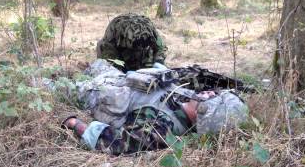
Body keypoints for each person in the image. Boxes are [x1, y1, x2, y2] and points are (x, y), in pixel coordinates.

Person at [59, 59, 248, 155]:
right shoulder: (189, 97)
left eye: (213, 98)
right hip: (116, 78)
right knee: (99, 62)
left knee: (50, 86)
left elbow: (116, 143)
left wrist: (76, 124)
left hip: (94, 93)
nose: (211, 92)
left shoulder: (160, 126)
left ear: (204, 114)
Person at [96, 13, 167, 71]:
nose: (140, 47)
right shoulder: (116, 31)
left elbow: (161, 47)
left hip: (142, 57)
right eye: (138, 44)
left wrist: (158, 62)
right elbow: (109, 57)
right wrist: (118, 72)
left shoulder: (149, 29)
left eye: (143, 44)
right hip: (120, 55)